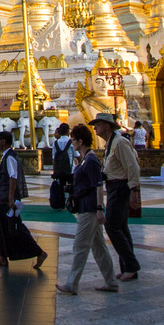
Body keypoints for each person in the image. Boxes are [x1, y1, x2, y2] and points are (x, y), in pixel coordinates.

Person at [57, 123, 118, 295]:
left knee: (80, 246)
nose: (72, 142)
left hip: (89, 209)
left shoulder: (90, 160)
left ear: (80, 141)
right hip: (87, 207)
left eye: (73, 140)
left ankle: (72, 283)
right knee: (98, 247)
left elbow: (98, 185)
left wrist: (99, 209)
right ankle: (111, 281)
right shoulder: (85, 159)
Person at [0, 129, 48, 269]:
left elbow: (13, 176)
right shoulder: (7, 155)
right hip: (1, 195)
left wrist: (10, 197)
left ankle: (39, 252)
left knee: (16, 227)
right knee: (4, 226)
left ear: (3, 142)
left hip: (6, 197)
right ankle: (3, 256)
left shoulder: (9, 157)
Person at [96, 115, 141, 280]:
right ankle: (128, 267)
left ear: (107, 126)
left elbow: (132, 166)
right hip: (114, 186)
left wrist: (134, 192)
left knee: (112, 226)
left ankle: (131, 265)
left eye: (98, 124)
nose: (95, 128)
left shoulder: (120, 142)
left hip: (121, 187)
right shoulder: (111, 142)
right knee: (121, 227)